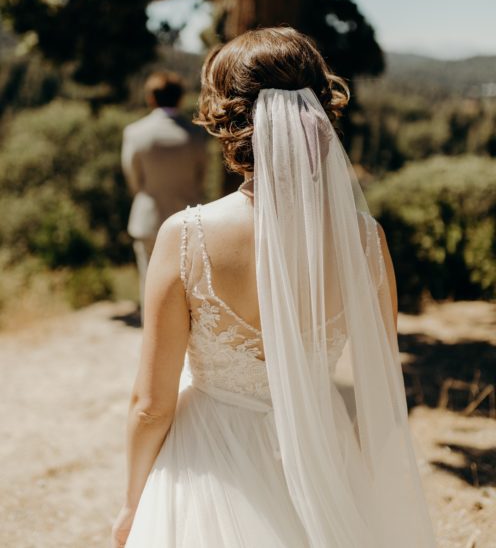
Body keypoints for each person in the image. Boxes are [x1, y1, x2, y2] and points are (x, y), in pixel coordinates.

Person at [112, 28, 436, 547]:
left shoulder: (187, 237)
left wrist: (133, 504)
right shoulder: (365, 241)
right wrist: (354, 487)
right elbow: (381, 390)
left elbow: (152, 406)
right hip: (322, 453)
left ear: (228, 120)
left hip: (209, 460)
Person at [121, 71, 206, 323]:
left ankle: (152, 336)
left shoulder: (135, 132)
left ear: (151, 98)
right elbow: (201, 175)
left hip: (149, 218)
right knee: (189, 286)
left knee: (149, 283)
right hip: (190, 219)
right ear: (180, 98)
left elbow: (133, 178)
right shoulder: (197, 134)